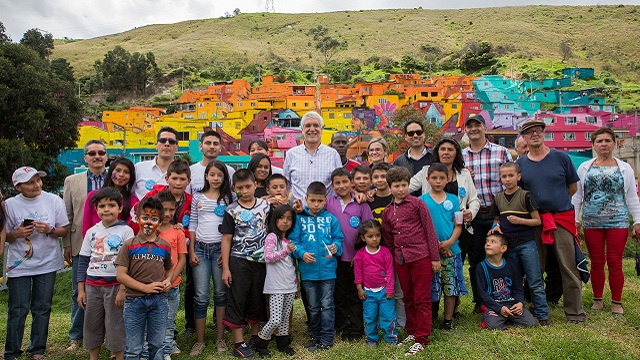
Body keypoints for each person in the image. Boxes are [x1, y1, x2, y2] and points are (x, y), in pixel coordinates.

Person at [517, 119, 586, 324]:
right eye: (529, 132)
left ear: (543, 133)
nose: (534, 134)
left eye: (538, 130)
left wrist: (556, 201)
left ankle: (574, 312)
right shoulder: (521, 163)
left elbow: (572, 187)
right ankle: (538, 308)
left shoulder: (561, 158)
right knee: (535, 267)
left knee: (568, 266)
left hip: (560, 219)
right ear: (524, 138)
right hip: (536, 221)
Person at [572, 126, 640, 316]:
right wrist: (575, 219)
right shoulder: (585, 167)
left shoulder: (624, 168)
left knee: (615, 262)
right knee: (596, 262)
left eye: (607, 140)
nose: (603, 144)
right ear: (593, 145)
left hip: (618, 222)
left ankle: (617, 301)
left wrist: (637, 221)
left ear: (614, 144)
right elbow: (577, 196)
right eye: (599, 141)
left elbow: (632, 197)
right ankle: (598, 299)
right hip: (592, 222)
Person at [4, 167, 70, 360]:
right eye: (30, 182)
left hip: (47, 262)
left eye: (38, 180)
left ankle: (38, 349)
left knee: (42, 307)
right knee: (18, 308)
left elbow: (64, 230)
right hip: (19, 264)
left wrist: (50, 229)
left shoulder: (53, 200)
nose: (36, 185)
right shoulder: (9, 205)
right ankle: (12, 351)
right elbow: (5, 236)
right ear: (18, 187)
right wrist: (16, 234)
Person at [410, 138, 479, 318]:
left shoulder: (464, 173)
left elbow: (473, 199)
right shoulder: (426, 171)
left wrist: (471, 212)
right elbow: (406, 187)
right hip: (431, 235)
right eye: (443, 149)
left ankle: (452, 311)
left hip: (457, 231)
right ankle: (433, 313)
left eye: (451, 149)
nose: (446, 152)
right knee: (433, 279)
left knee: (452, 274)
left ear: (456, 152)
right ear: (437, 152)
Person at [381, 167, 440, 356]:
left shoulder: (417, 204)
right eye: (397, 186)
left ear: (408, 185)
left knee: (422, 298)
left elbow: (430, 231)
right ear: (390, 188)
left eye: (404, 185)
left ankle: (423, 338)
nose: (401, 189)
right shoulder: (388, 212)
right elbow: (389, 240)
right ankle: (413, 332)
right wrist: (391, 263)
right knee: (408, 297)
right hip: (401, 259)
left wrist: (435, 258)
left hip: (421, 256)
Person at [185, 130, 234, 338]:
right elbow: (193, 222)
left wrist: (227, 254)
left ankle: (221, 336)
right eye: (208, 143)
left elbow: (232, 227)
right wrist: (191, 248)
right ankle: (199, 339)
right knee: (201, 295)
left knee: (221, 292)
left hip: (219, 249)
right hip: (200, 249)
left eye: (219, 175)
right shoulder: (197, 195)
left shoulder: (229, 198)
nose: (216, 178)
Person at [462, 114, 513, 314]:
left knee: (500, 257)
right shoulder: (461, 156)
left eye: (477, 125)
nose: (474, 129)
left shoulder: (501, 153)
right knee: (475, 261)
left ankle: (503, 296)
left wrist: (499, 217)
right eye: (470, 126)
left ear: (485, 127)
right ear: (465, 130)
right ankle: (479, 301)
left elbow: (510, 185)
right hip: (472, 216)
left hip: (496, 215)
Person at [76, 187, 134, 360]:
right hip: (92, 286)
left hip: (115, 286)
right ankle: (93, 357)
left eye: (111, 205)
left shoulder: (126, 231)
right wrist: (81, 290)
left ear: (120, 207)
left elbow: (129, 263)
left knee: (115, 325)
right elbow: (83, 261)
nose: (106, 209)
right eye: (102, 206)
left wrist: (123, 289)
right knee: (92, 324)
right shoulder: (91, 232)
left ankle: (118, 355)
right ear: (96, 209)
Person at [489, 162, 549, 326]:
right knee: (514, 281)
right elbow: (496, 219)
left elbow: (537, 221)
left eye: (511, 175)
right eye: (504, 176)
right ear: (500, 178)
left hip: (526, 244)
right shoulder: (499, 198)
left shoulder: (526, 196)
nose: (507, 179)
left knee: (534, 280)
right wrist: (495, 227)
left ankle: (542, 315)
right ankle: (516, 312)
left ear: (518, 177)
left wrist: (519, 220)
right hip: (508, 246)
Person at [63, 139, 108, 351]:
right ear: (86, 157)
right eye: (92, 153)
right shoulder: (72, 181)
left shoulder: (115, 178)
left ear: (106, 156)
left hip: (110, 246)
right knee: (78, 291)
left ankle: (107, 335)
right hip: (81, 244)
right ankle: (76, 335)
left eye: (101, 152)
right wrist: (67, 244)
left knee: (109, 290)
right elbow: (68, 216)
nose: (97, 156)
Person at [220, 169, 271, 358]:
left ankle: (255, 337)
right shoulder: (231, 210)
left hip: (261, 261)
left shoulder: (266, 206)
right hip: (238, 261)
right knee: (238, 299)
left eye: (248, 186)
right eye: (240, 188)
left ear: (255, 185)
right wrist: (226, 268)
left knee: (257, 298)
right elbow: (226, 239)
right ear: (234, 188)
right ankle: (238, 343)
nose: (245, 190)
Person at [115, 197, 174, 360]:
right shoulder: (129, 245)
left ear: (160, 222)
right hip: (134, 301)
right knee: (134, 348)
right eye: (145, 217)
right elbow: (120, 275)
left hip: (159, 302)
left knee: (157, 345)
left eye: (154, 219)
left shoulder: (165, 246)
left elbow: (169, 268)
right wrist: (144, 288)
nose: (149, 222)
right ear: (137, 218)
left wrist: (168, 281)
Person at [290, 182, 344, 352]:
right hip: (308, 272)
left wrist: (336, 247)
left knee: (327, 304)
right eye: (312, 200)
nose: (315, 204)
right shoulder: (299, 219)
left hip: (328, 271)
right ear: (306, 199)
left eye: (319, 201)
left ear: (325, 201)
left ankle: (327, 337)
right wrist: (301, 253)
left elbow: (339, 239)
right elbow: (293, 242)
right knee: (312, 306)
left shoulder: (331, 219)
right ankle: (315, 334)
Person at [325, 168, 373, 342]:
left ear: (351, 183)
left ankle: (356, 328)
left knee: (355, 294)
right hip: (335, 260)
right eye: (337, 183)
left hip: (356, 259)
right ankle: (342, 326)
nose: (341, 186)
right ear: (332, 185)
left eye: (345, 181)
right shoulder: (328, 203)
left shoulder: (361, 204)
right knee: (339, 294)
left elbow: (369, 230)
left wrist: (360, 254)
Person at [420, 163, 466, 330]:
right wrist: (435, 247)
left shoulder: (454, 200)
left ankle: (448, 320)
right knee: (432, 286)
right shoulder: (421, 201)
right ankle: (431, 317)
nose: (438, 181)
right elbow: (420, 228)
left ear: (448, 179)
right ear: (427, 179)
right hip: (429, 254)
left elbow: (459, 225)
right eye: (434, 178)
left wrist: (449, 243)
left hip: (451, 252)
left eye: (441, 178)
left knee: (450, 286)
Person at [254, 204, 298, 357]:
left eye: (289, 218)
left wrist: (296, 284)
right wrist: (286, 251)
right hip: (276, 287)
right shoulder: (272, 237)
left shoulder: (288, 240)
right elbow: (268, 257)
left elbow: (290, 266)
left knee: (285, 318)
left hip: (289, 286)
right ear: (275, 220)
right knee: (275, 319)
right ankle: (261, 343)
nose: (285, 221)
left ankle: (283, 344)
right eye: (281, 218)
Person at [367, 162, 406, 328]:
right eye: (376, 176)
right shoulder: (368, 199)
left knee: (397, 290)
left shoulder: (397, 197)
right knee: (376, 290)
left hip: (395, 251)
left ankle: (401, 323)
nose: (380, 179)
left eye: (383, 176)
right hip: (375, 252)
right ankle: (377, 323)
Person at [476, 233, 538, 330]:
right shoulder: (481, 267)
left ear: (503, 248)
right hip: (493, 305)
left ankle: (509, 317)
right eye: (487, 242)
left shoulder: (511, 265)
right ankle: (494, 316)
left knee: (531, 323)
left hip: (511, 303)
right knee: (493, 326)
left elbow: (518, 288)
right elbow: (482, 293)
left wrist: (520, 303)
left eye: (493, 242)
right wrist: (499, 308)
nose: (488, 244)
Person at [153, 191, 188, 359]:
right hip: (151, 285)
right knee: (151, 322)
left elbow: (182, 259)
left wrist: (170, 279)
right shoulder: (150, 231)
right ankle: (150, 351)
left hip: (172, 286)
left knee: (168, 322)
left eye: (171, 210)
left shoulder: (178, 232)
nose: (167, 214)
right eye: (163, 209)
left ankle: (166, 351)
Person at [353, 220, 397, 347]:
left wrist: (389, 289)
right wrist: (359, 289)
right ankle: (371, 339)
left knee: (388, 316)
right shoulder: (360, 254)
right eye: (370, 236)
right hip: (368, 292)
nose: (374, 239)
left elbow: (390, 272)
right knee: (370, 317)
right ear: (363, 238)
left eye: (377, 235)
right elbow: (358, 273)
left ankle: (391, 338)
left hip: (384, 291)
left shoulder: (385, 252)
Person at [283, 111, 342, 204]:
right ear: (302, 129)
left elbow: (340, 183)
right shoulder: (291, 154)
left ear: (322, 129)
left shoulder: (333, 154)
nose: (312, 129)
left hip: (326, 213)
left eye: (316, 125)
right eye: (308, 126)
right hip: (299, 213)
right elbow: (285, 185)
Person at [83, 157, 138, 236]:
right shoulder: (93, 196)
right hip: (95, 244)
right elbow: (86, 226)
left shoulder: (133, 201)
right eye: (118, 170)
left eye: (126, 172)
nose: (121, 174)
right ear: (110, 172)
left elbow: (131, 229)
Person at [134, 127, 180, 199]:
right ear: (156, 145)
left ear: (177, 147)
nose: (167, 144)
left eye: (171, 141)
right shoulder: (139, 168)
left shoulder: (182, 172)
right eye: (163, 140)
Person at [189, 130, 236, 194]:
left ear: (220, 147)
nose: (212, 147)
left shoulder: (229, 171)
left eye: (215, 144)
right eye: (208, 143)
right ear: (200, 146)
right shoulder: (191, 171)